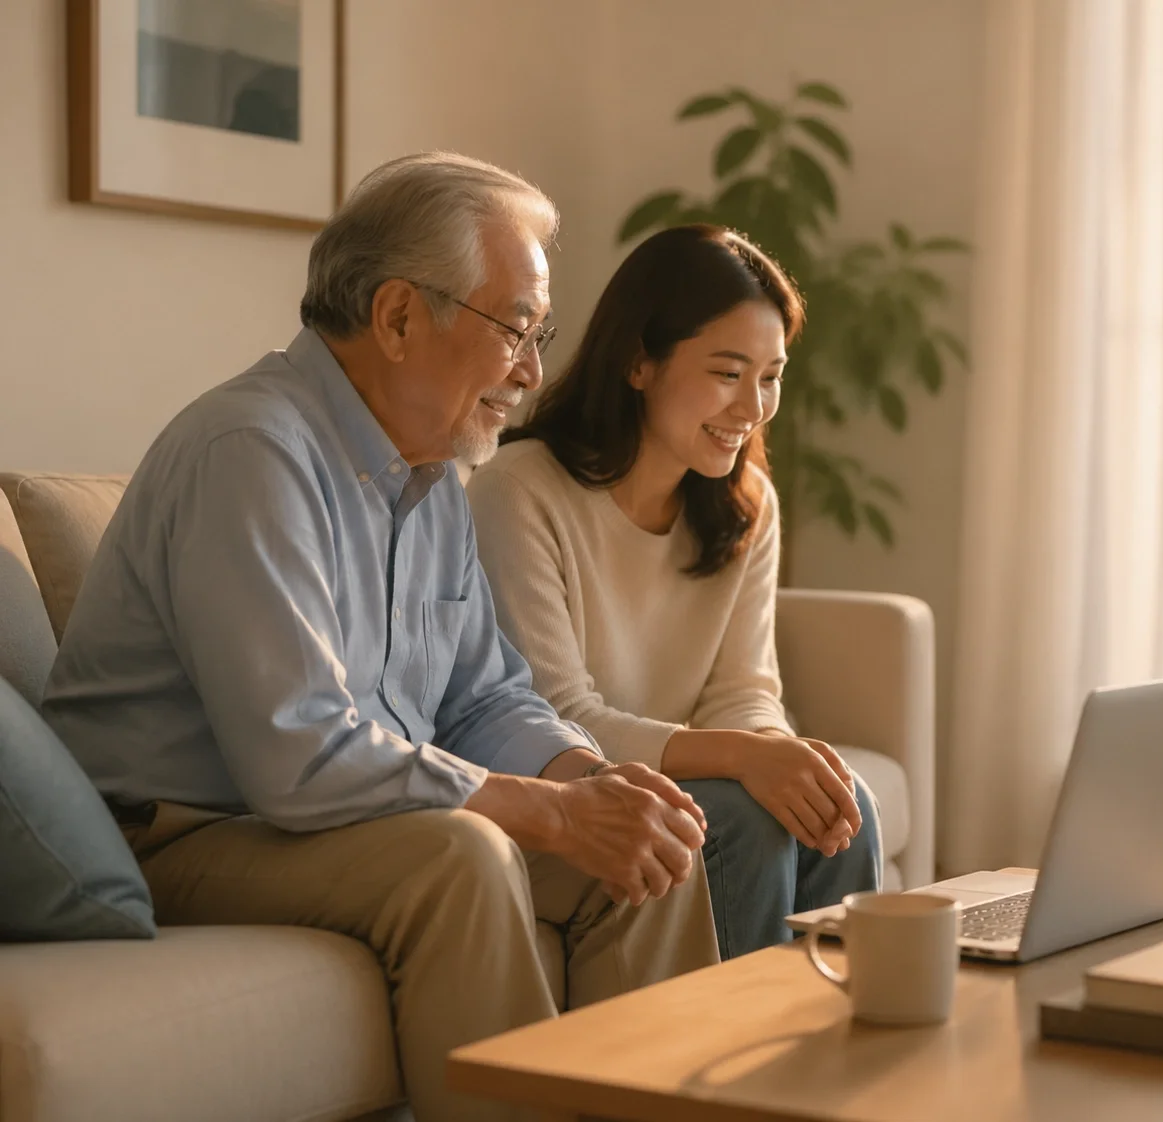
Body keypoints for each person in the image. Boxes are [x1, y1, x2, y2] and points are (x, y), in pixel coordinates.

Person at [42, 153, 720, 1122]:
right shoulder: (253, 451)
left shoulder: (432, 472)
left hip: (318, 824)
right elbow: (298, 755)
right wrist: (546, 814)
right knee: (463, 857)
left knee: (649, 848)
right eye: (517, 331)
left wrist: (589, 785)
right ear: (399, 318)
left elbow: (484, 698)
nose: (533, 373)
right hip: (188, 833)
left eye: (540, 335)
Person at [467, 224, 882, 961]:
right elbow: (558, 717)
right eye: (727, 373)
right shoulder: (520, 491)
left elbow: (743, 693)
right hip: (579, 800)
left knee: (848, 806)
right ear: (638, 363)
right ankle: (721, 1063)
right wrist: (742, 761)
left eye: (771, 375)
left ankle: (835, 1062)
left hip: (684, 792)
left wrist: (779, 756)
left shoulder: (746, 501)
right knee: (741, 815)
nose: (752, 407)